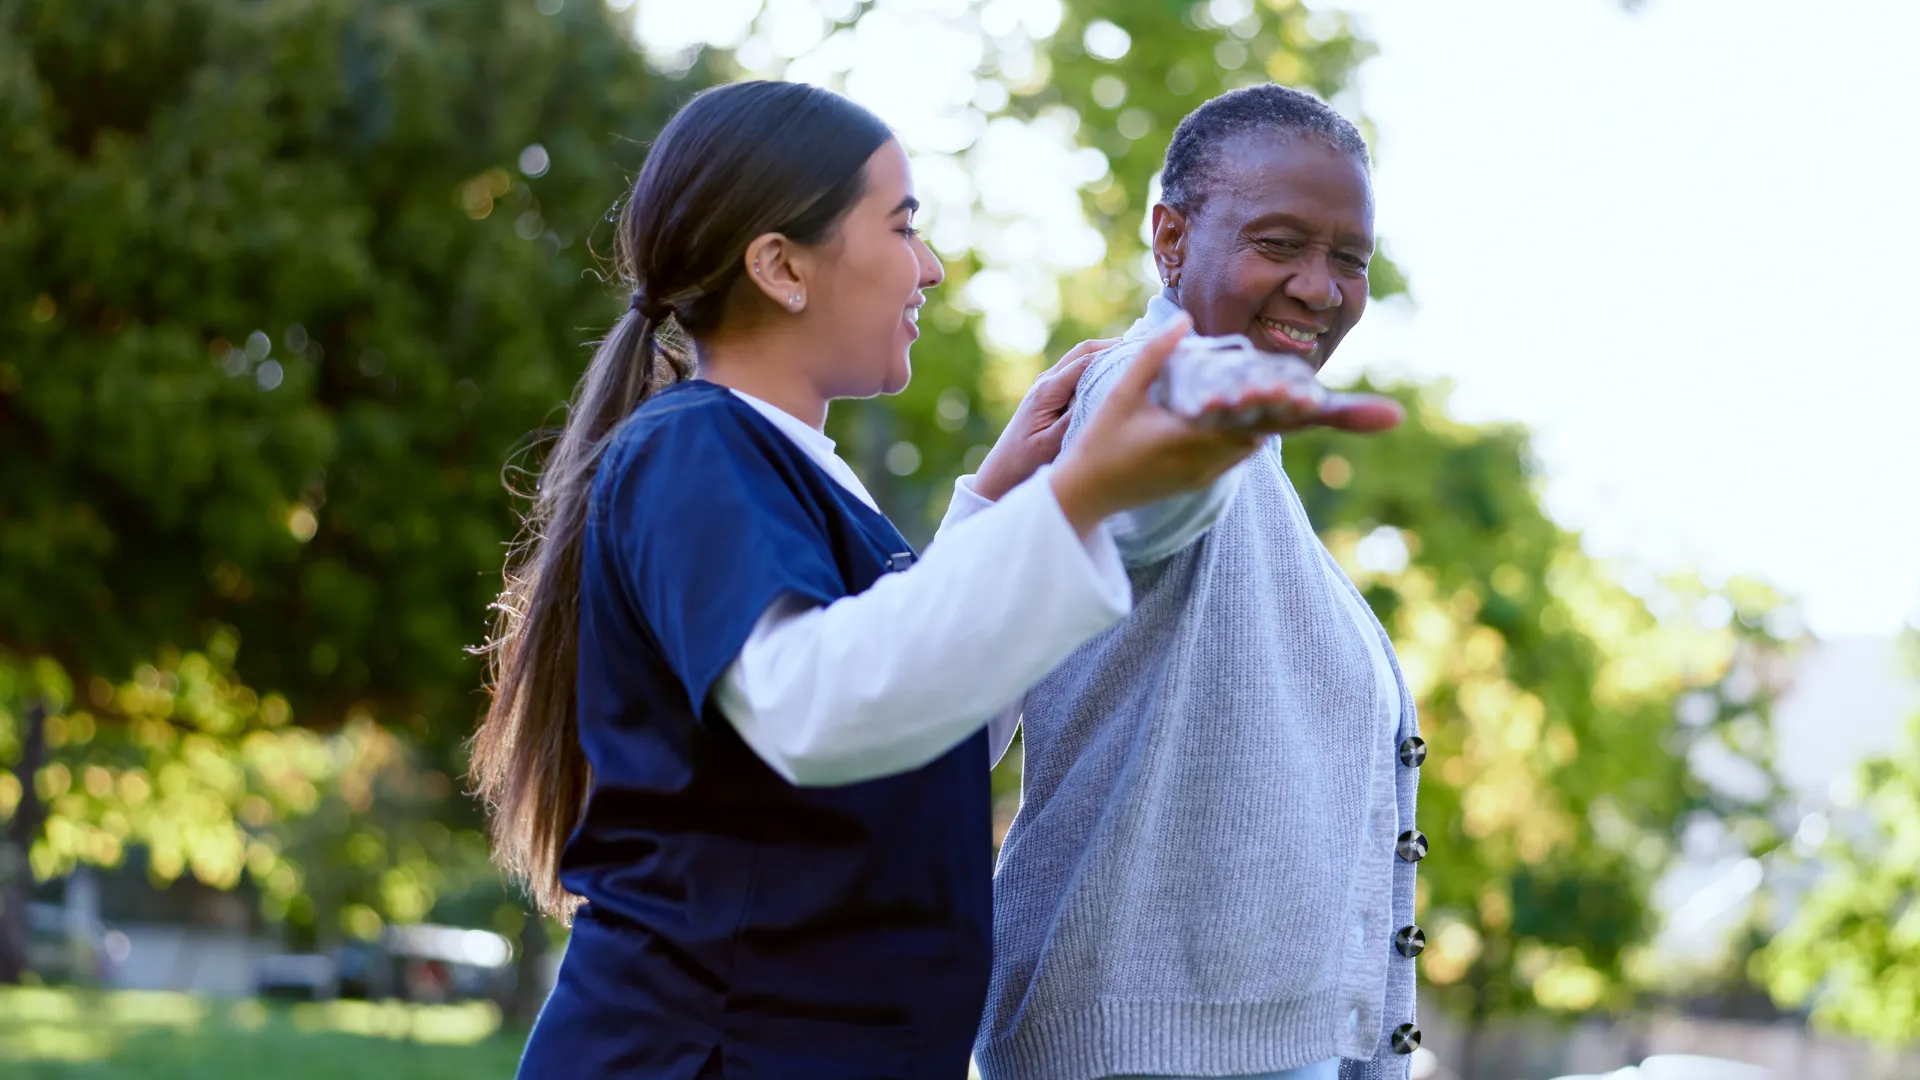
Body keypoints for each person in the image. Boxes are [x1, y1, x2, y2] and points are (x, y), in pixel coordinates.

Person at [468, 81, 1397, 1080]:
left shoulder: (798, 479)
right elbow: (811, 706)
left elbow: (927, 723)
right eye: (902, 228)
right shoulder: (694, 447)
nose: (933, 268)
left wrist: (996, 503)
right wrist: (1082, 493)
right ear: (782, 266)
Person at [976, 85, 1427, 1080]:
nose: (1320, 287)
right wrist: (1201, 423)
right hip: (1138, 1051)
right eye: (1279, 244)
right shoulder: (1138, 387)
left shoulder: (1257, 458)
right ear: (1170, 240)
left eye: (1348, 259)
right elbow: (1137, 503)